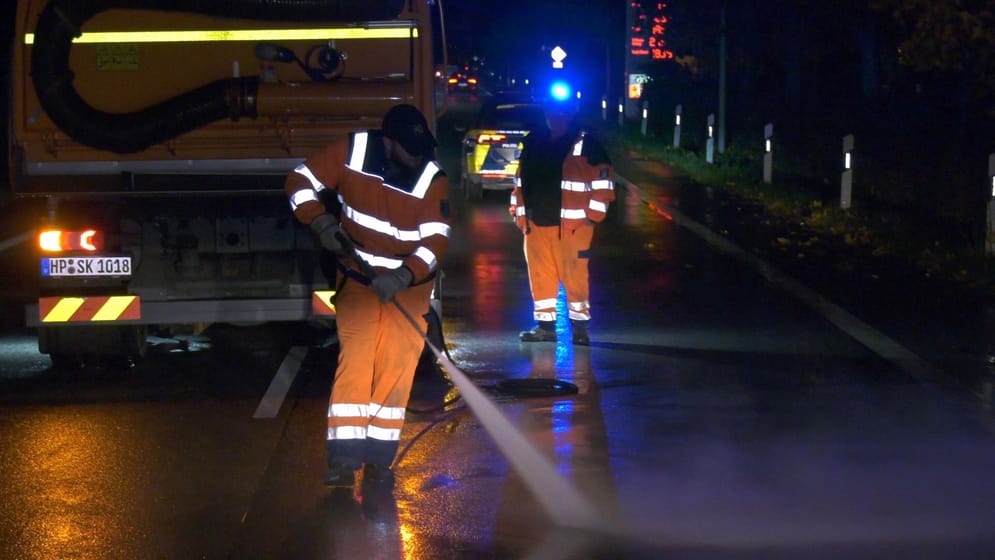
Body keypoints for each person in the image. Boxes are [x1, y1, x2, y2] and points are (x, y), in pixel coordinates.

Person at [285, 104, 450, 488]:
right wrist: (320, 219)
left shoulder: (431, 178)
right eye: (408, 148)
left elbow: (435, 244)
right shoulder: (352, 151)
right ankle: (343, 461)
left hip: (407, 289)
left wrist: (404, 275)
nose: (417, 156)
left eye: (421, 148)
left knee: (395, 368)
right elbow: (298, 181)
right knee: (356, 361)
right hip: (357, 281)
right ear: (387, 142)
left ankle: (378, 462)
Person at [509, 95, 615, 345]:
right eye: (551, 112)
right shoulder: (534, 141)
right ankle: (545, 327)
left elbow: (603, 183)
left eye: (560, 113)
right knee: (540, 277)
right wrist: (517, 212)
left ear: (570, 115)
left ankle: (579, 330)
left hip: (573, 229)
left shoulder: (587, 145)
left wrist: (592, 218)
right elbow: (519, 181)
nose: (555, 117)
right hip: (535, 226)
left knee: (575, 278)